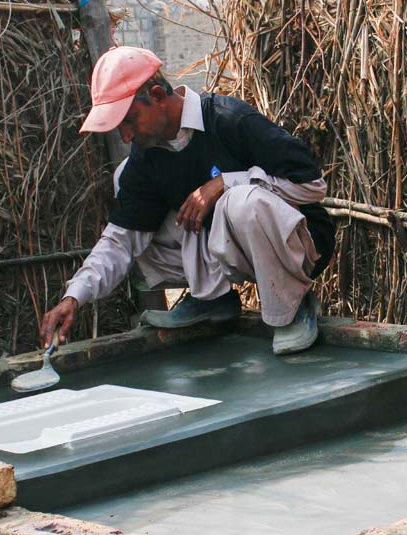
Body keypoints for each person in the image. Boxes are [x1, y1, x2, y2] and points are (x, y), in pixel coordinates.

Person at [40, 46, 335, 355]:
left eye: (130, 121)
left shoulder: (229, 119)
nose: (126, 137)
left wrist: (226, 182)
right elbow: (120, 241)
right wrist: (73, 296)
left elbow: (312, 186)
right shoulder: (147, 159)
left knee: (240, 202)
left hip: (300, 242)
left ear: (157, 96)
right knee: (129, 201)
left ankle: (292, 305)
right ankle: (212, 298)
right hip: (233, 250)